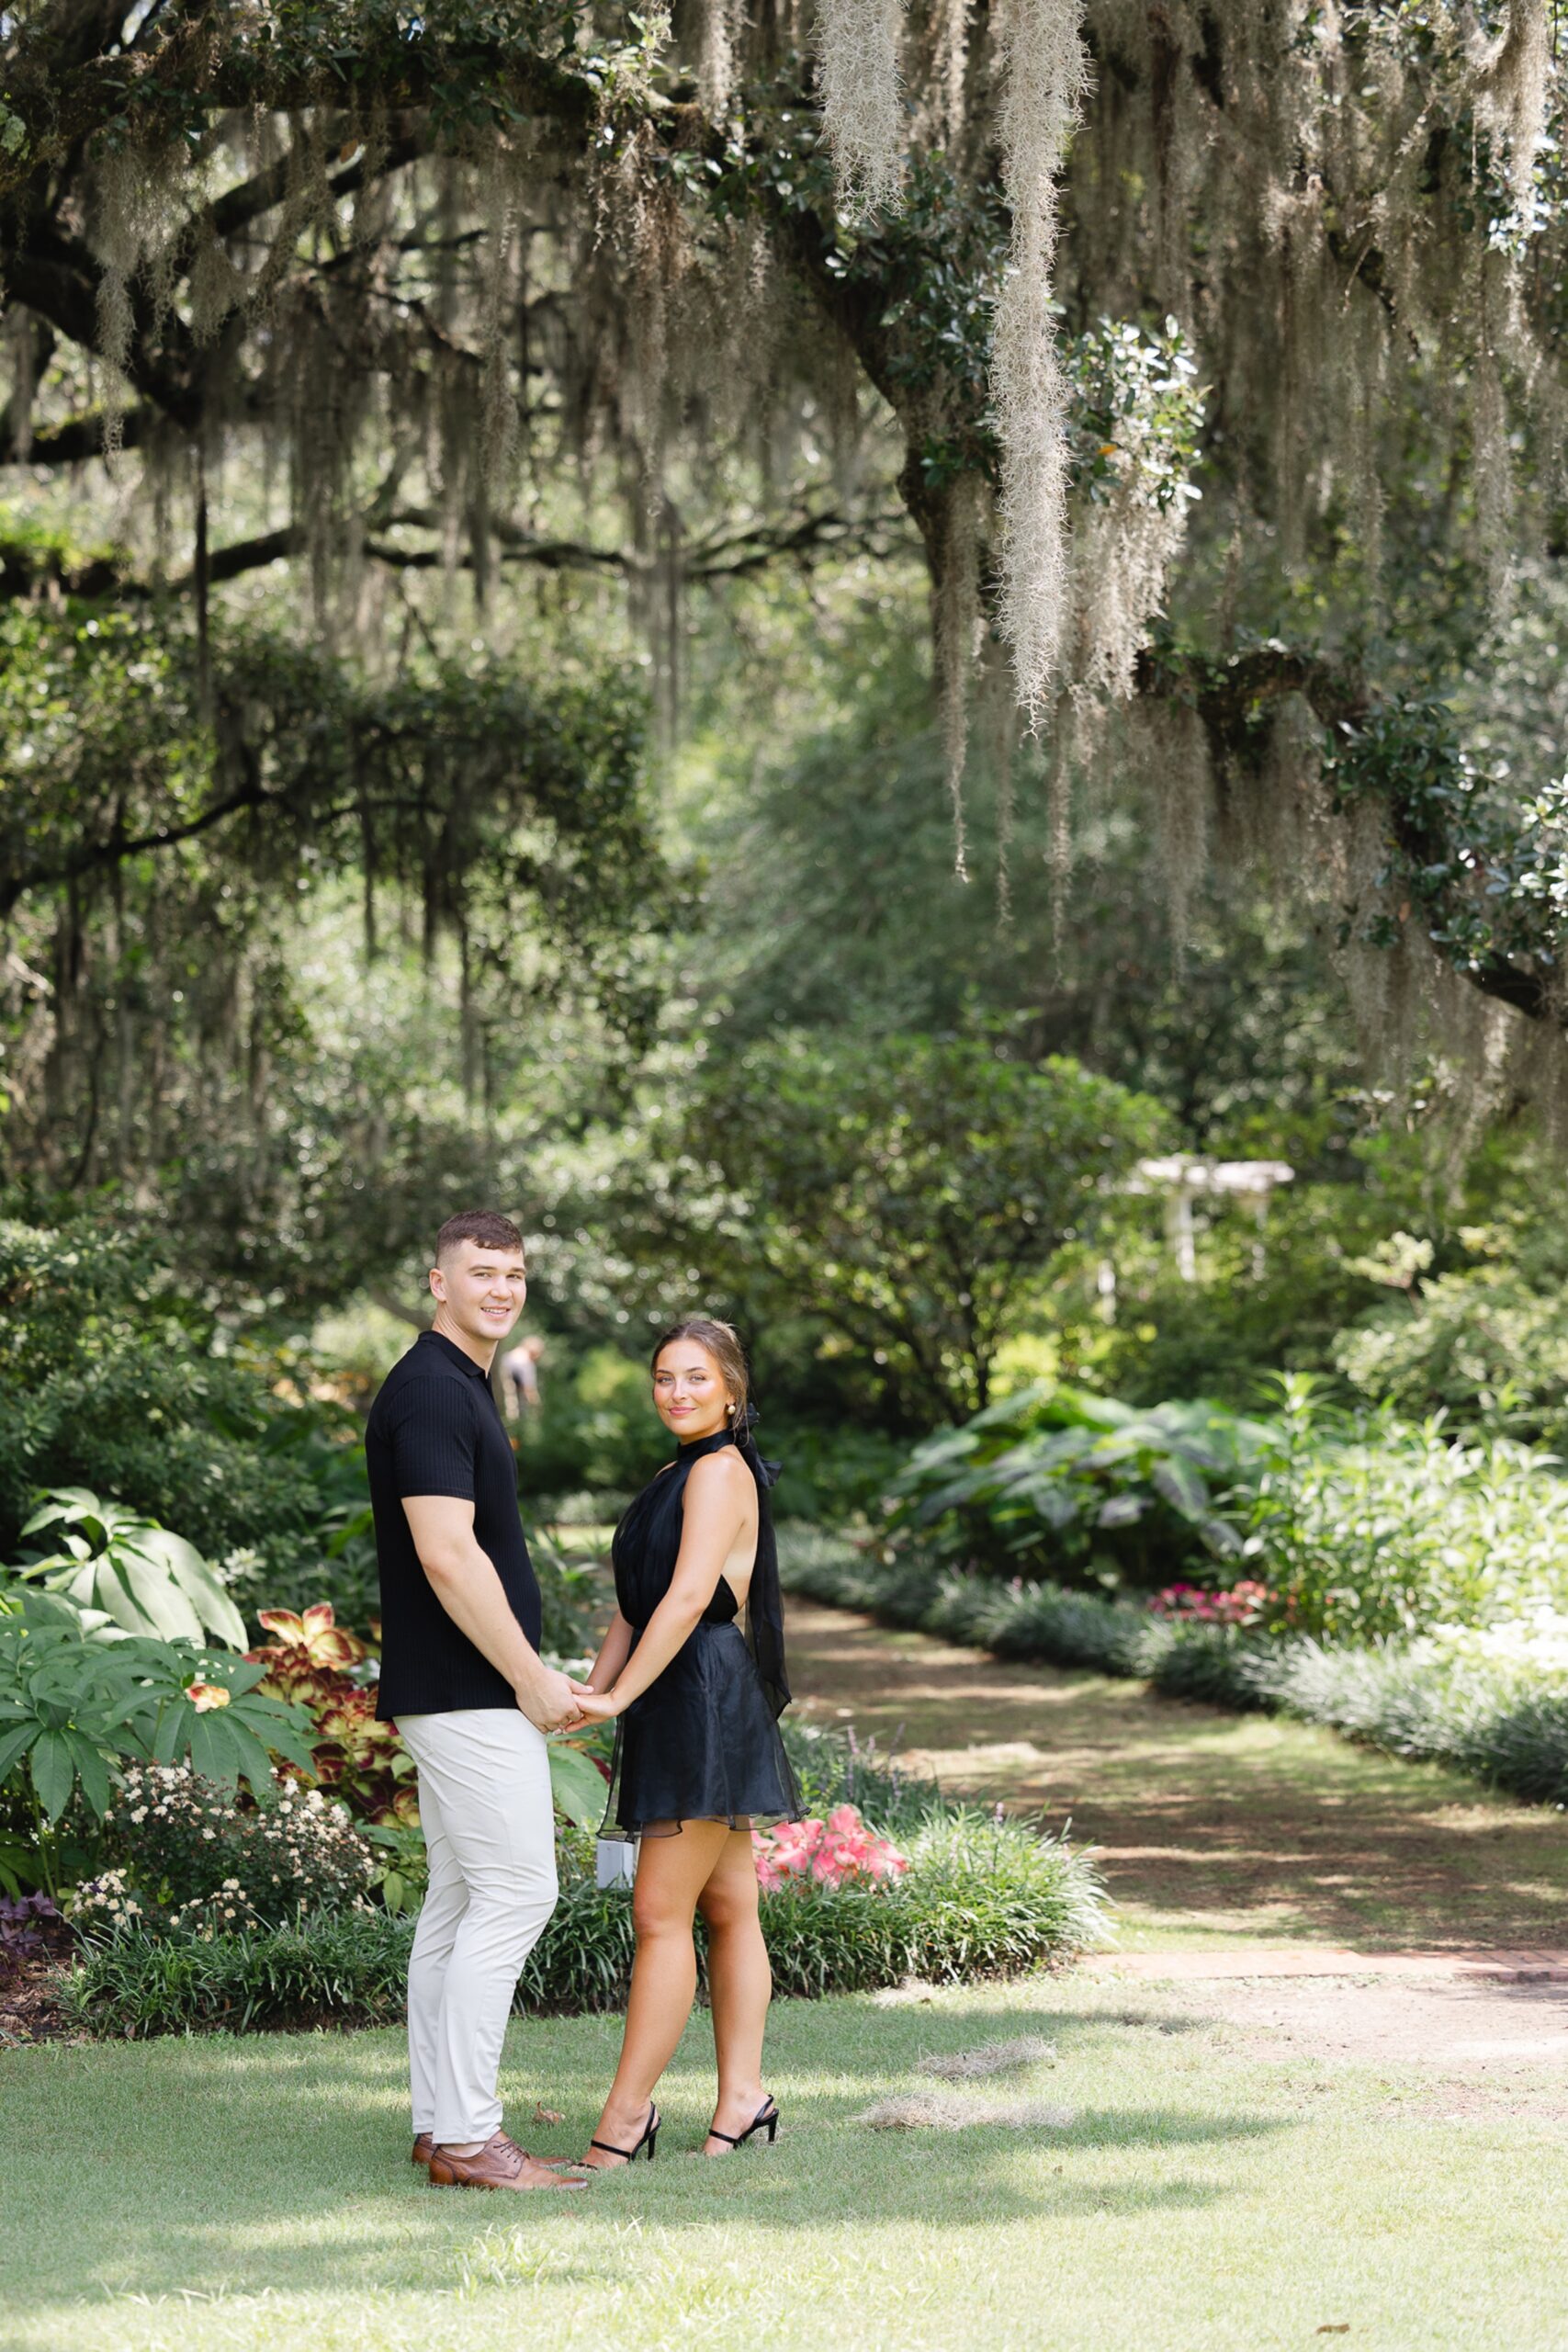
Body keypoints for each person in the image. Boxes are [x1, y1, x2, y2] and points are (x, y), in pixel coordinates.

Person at [366, 1208, 591, 2193]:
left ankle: (437, 2123)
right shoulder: (429, 1392)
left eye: (515, 1273)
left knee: (459, 1903)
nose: (501, 1287)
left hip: (458, 1689)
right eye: (481, 1271)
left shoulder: (460, 1384)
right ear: (437, 1281)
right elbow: (447, 1556)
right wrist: (531, 1677)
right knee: (518, 1893)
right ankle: (468, 2135)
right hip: (467, 1692)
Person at [568, 1316, 800, 2169]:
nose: (678, 1392)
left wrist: (621, 1695)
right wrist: (596, 1695)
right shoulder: (673, 1473)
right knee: (728, 1906)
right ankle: (743, 2096)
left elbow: (689, 1596)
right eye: (664, 1378)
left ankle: (627, 2117)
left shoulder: (720, 1473)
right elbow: (634, 1607)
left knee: (657, 1914)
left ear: (732, 1390)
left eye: (696, 1378)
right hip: (673, 1693)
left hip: (702, 1692)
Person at [500, 1332, 546, 1419]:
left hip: (500, 1382)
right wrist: (537, 1406)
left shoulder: (513, 1354)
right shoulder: (526, 1361)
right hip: (508, 1385)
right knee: (512, 1409)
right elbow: (529, 1388)